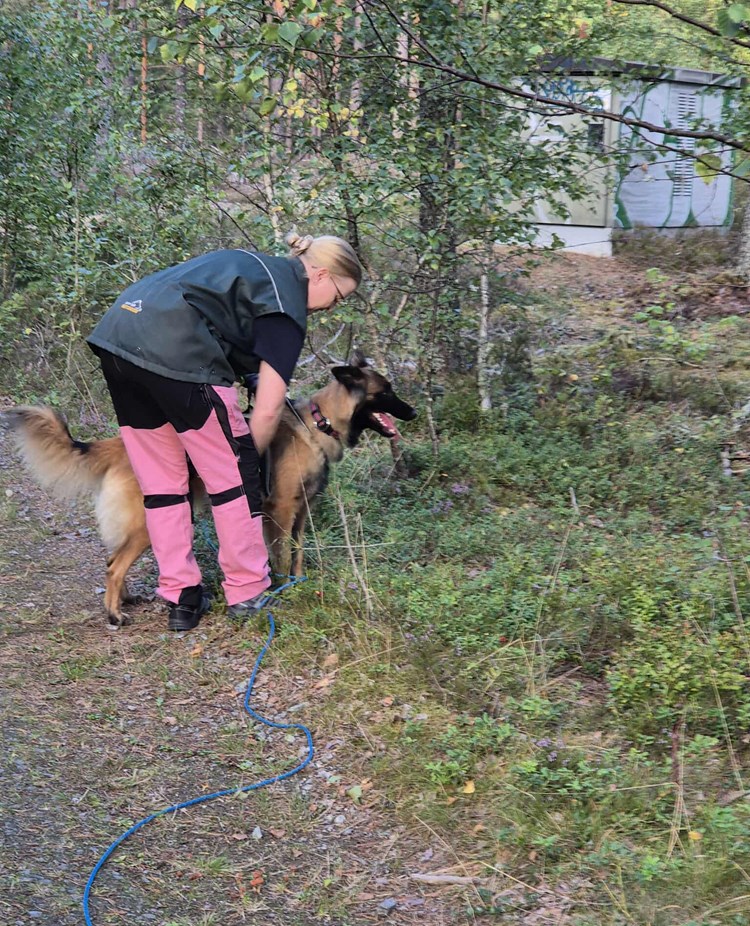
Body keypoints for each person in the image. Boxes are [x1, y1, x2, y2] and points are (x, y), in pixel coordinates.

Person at [87, 232, 363, 632]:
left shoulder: (248, 263)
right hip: (178, 356)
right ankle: (248, 592)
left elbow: (213, 319)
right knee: (235, 478)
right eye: (338, 296)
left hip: (117, 341)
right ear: (320, 275)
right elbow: (268, 410)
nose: (332, 307)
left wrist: (248, 374)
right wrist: (247, 458)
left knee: (163, 483)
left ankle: (182, 600)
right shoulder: (287, 306)